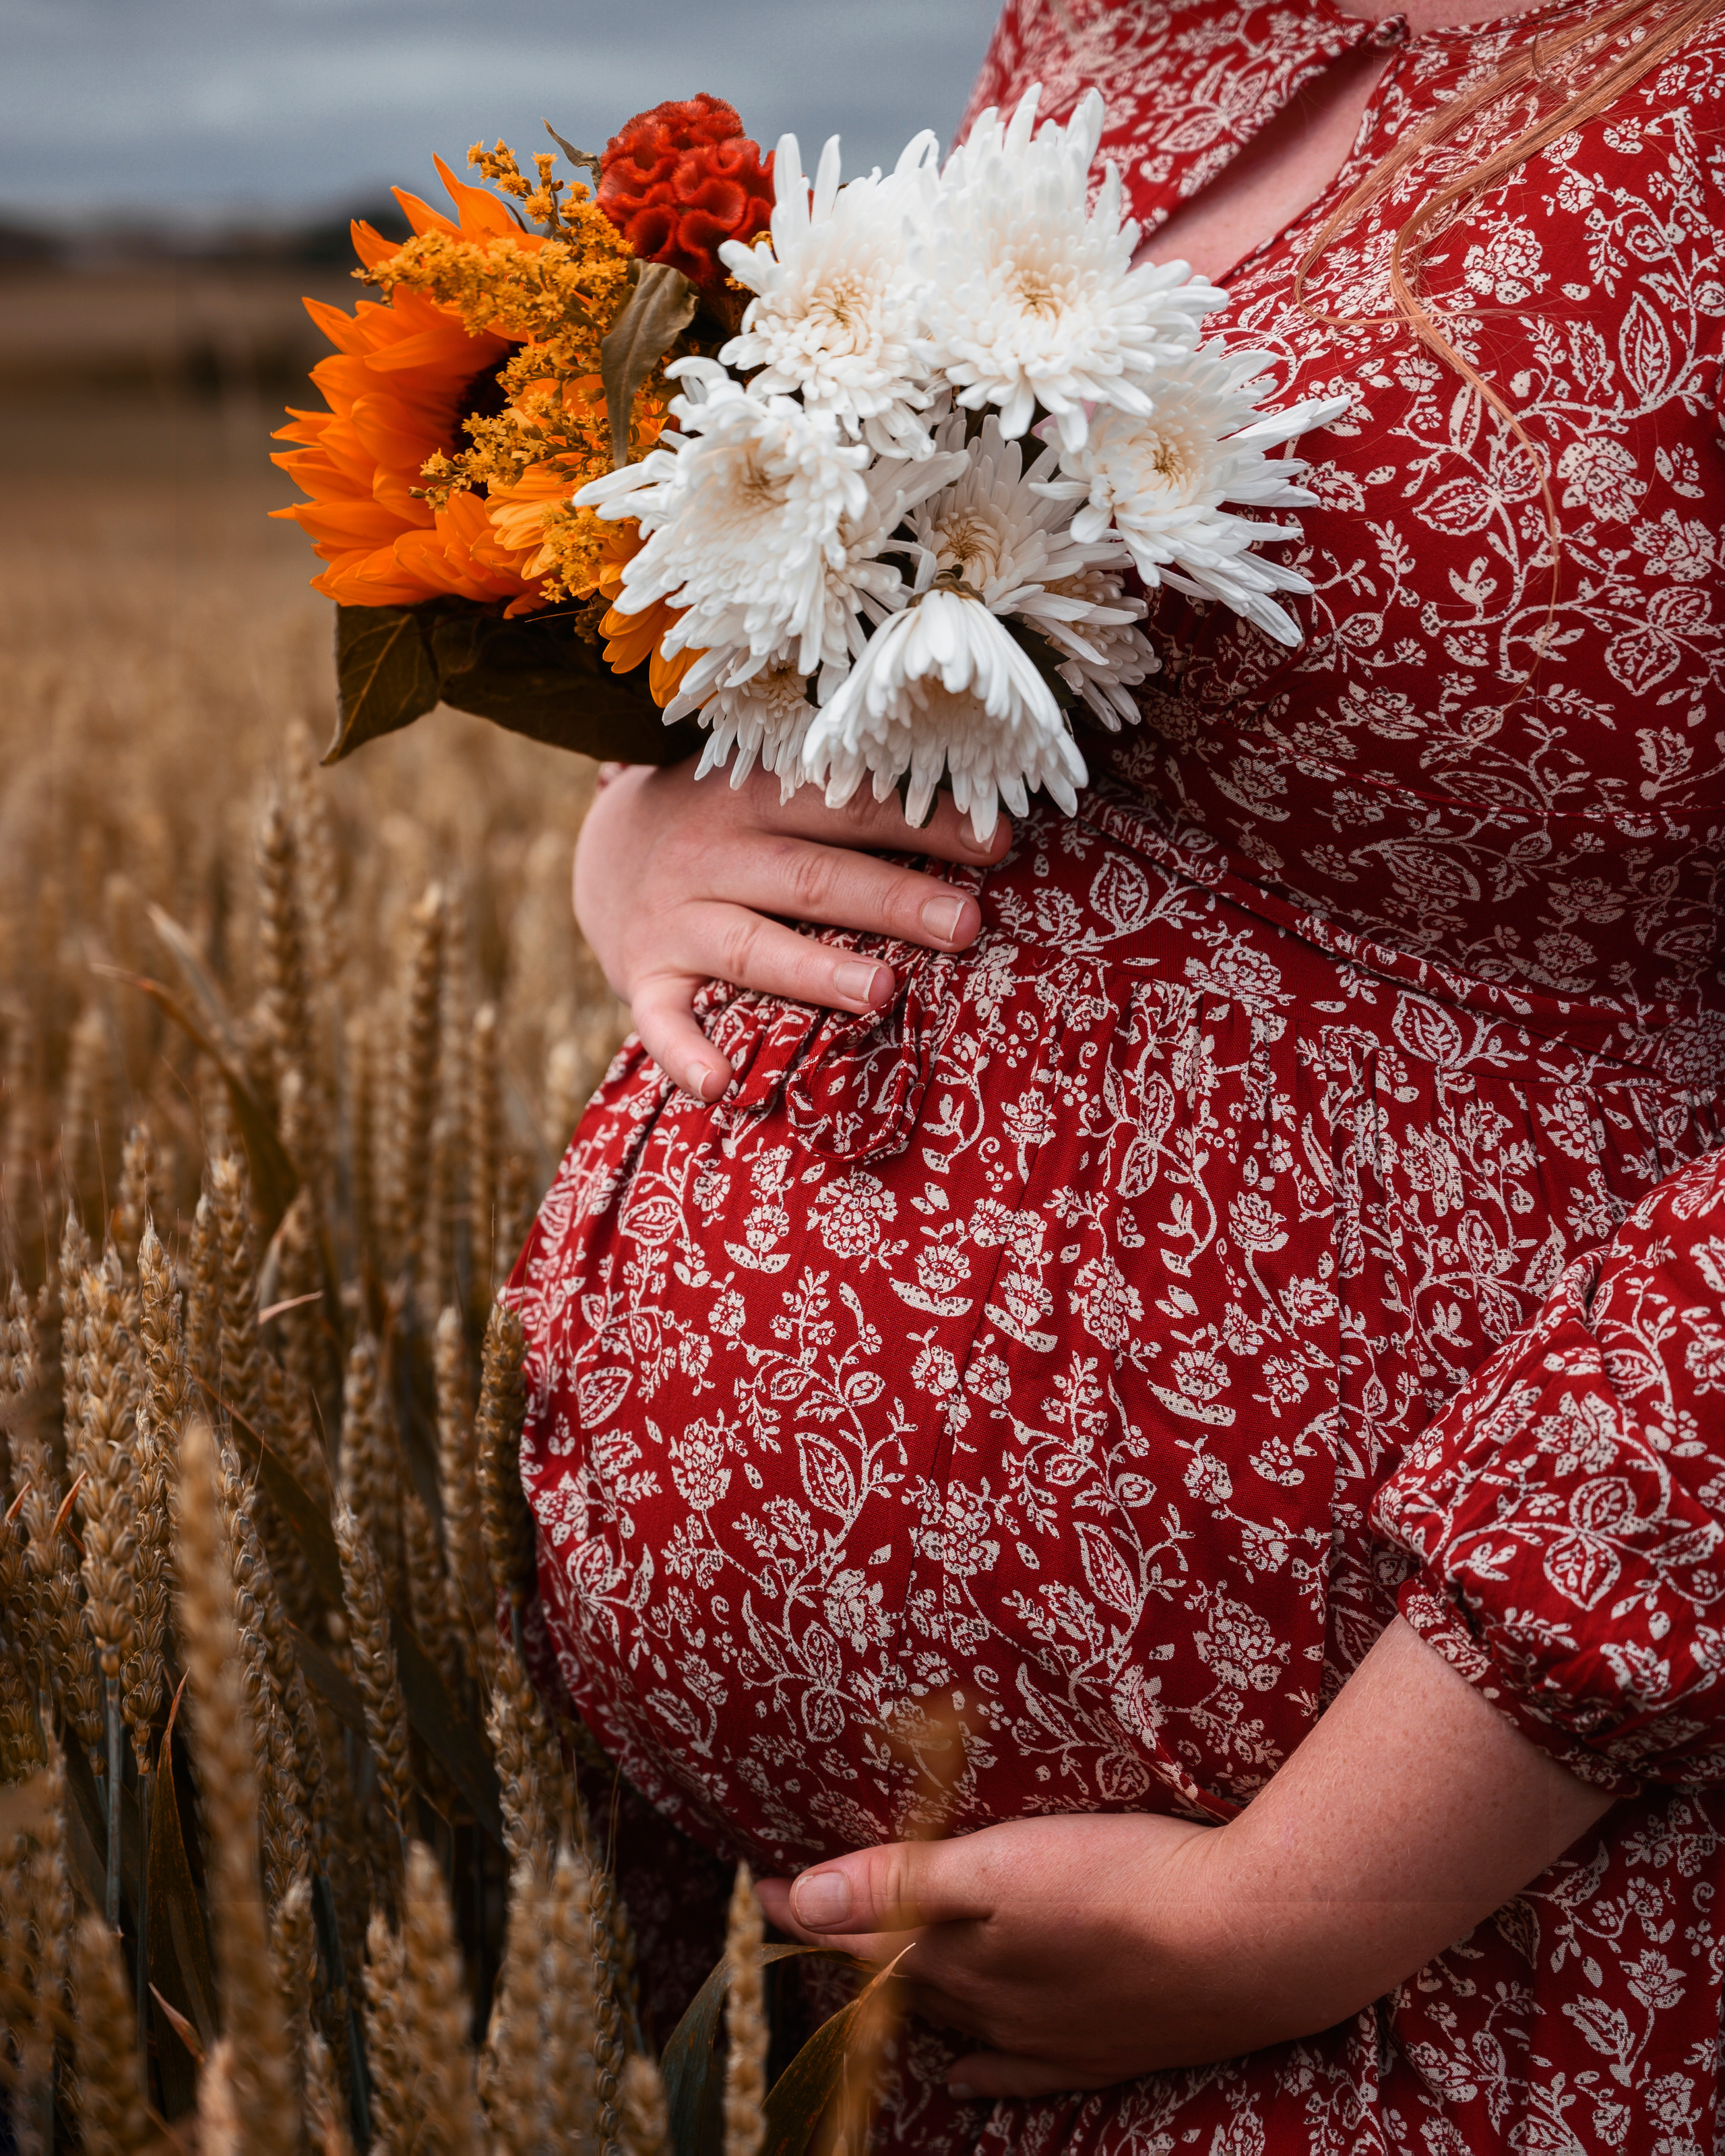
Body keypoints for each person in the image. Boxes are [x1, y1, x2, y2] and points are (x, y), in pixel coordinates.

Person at [509, 0, 1725, 2145]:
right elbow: (964, 653)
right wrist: (662, 826)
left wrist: (1317, 1888)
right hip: (717, 1960)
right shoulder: (1126, 18)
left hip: (1402, 1938)